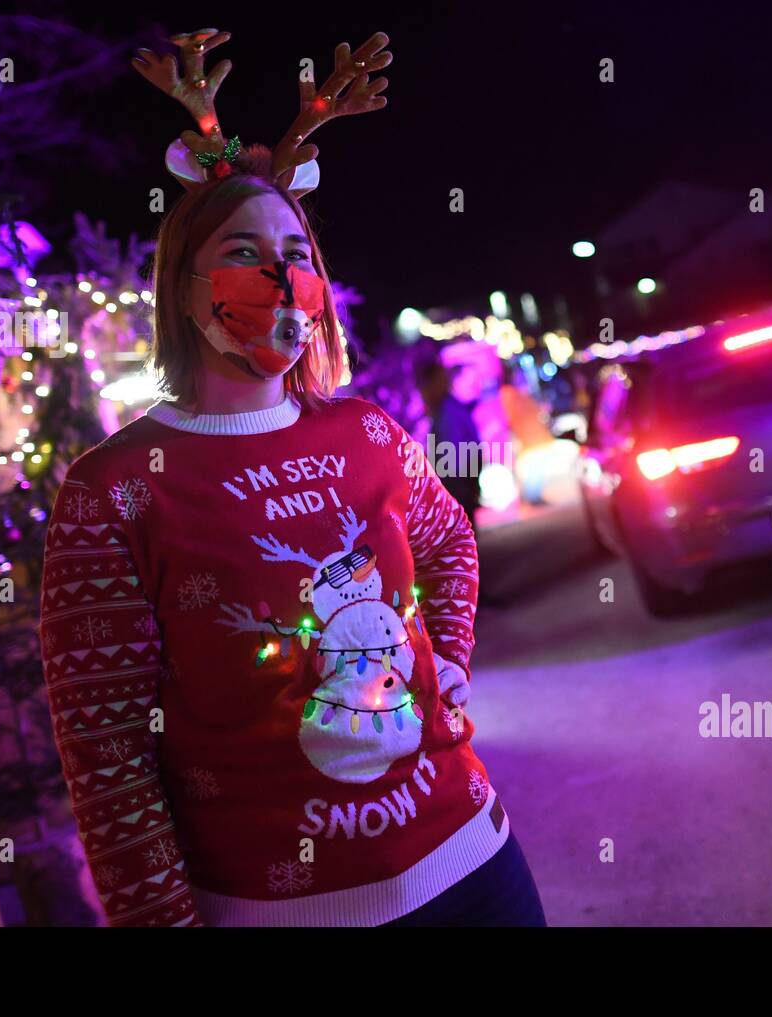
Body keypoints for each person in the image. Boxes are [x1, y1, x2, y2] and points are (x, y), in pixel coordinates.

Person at [38, 28, 544, 928]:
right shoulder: (111, 488)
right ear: (184, 292)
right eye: (242, 251)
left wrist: (453, 662)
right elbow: (110, 757)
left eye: (300, 253)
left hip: (472, 863)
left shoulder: (366, 430)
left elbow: (449, 542)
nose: (282, 274)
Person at [416, 358, 483, 529]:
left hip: (457, 485)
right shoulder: (448, 408)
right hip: (462, 481)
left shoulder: (447, 412)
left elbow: (451, 456)